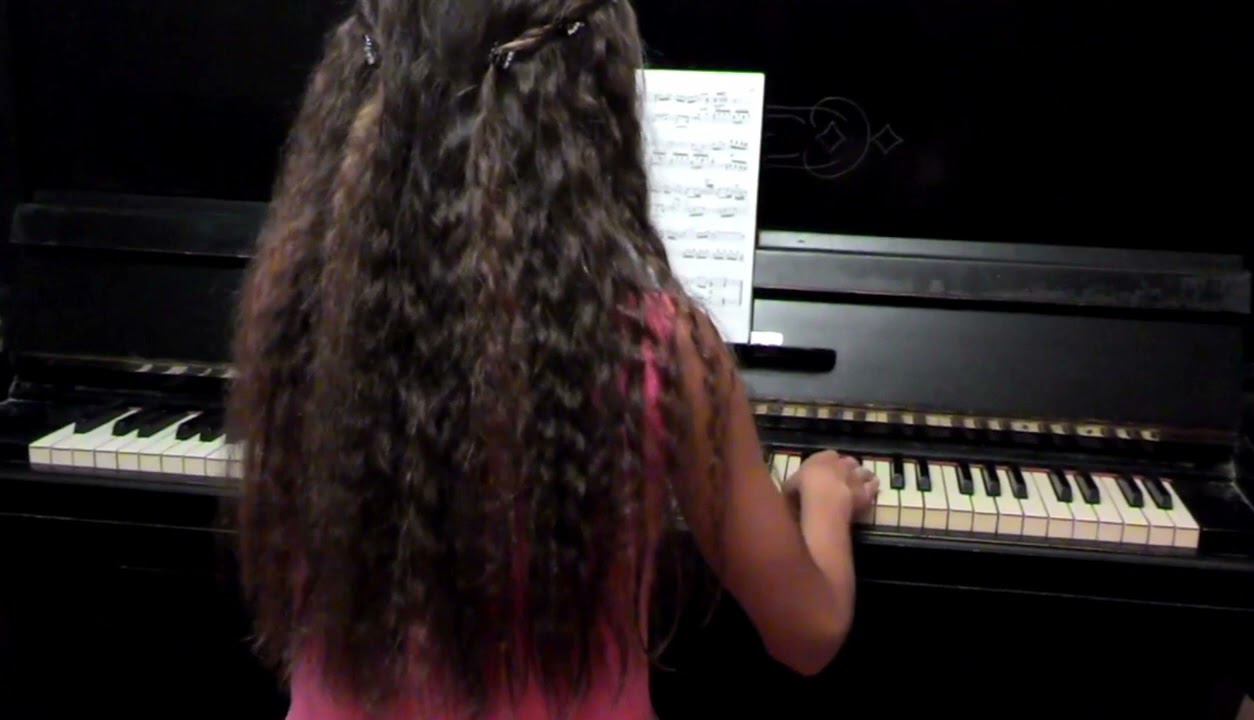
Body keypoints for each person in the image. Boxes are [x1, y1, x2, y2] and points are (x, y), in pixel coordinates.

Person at [230, 0, 879, 718]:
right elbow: (808, 632)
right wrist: (824, 497)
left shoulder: (301, 312)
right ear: (588, 114)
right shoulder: (657, 347)